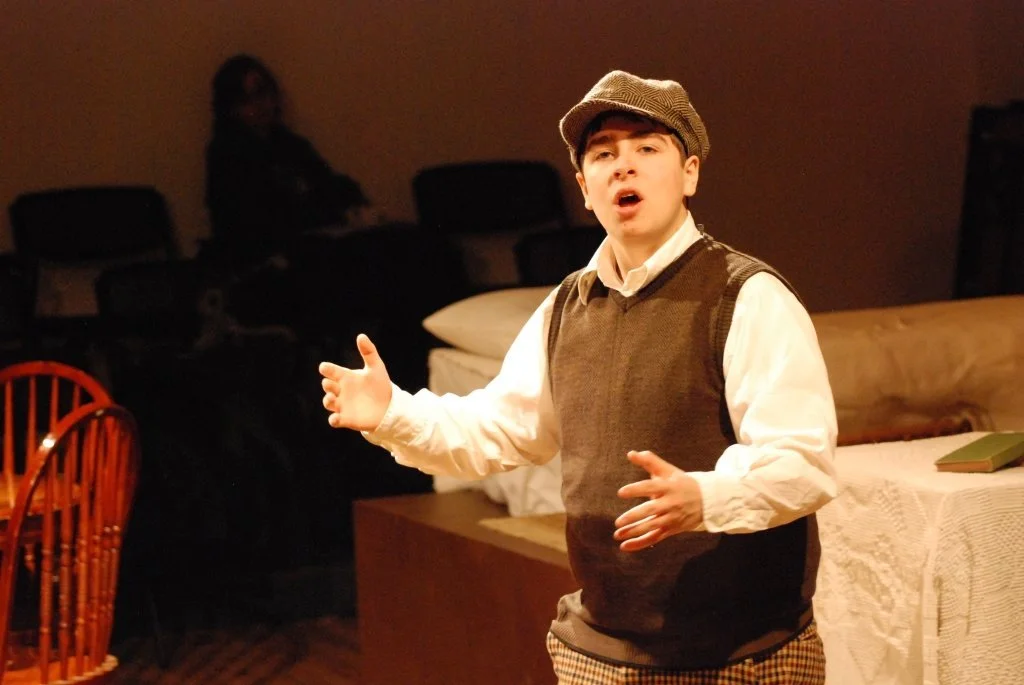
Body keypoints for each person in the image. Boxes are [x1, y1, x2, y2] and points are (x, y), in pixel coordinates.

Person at [319, 70, 837, 684]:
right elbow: (502, 428)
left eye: (647, 148)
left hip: (742, 655)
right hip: (602, 650)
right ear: (585, 189)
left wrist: (706, 498)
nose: (624, 166)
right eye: (604, 154)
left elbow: (802, 460)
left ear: (690, 173)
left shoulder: (745, 295)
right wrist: (393, 414)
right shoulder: (568, 307)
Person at [204, 53, 374, 268]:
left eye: (261, 93)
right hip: (264, 264)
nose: (258, 105)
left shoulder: (291, 146)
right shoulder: (226, 156)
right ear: (230, 110)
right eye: (245, 100)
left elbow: (328, 184)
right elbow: (251, 224)